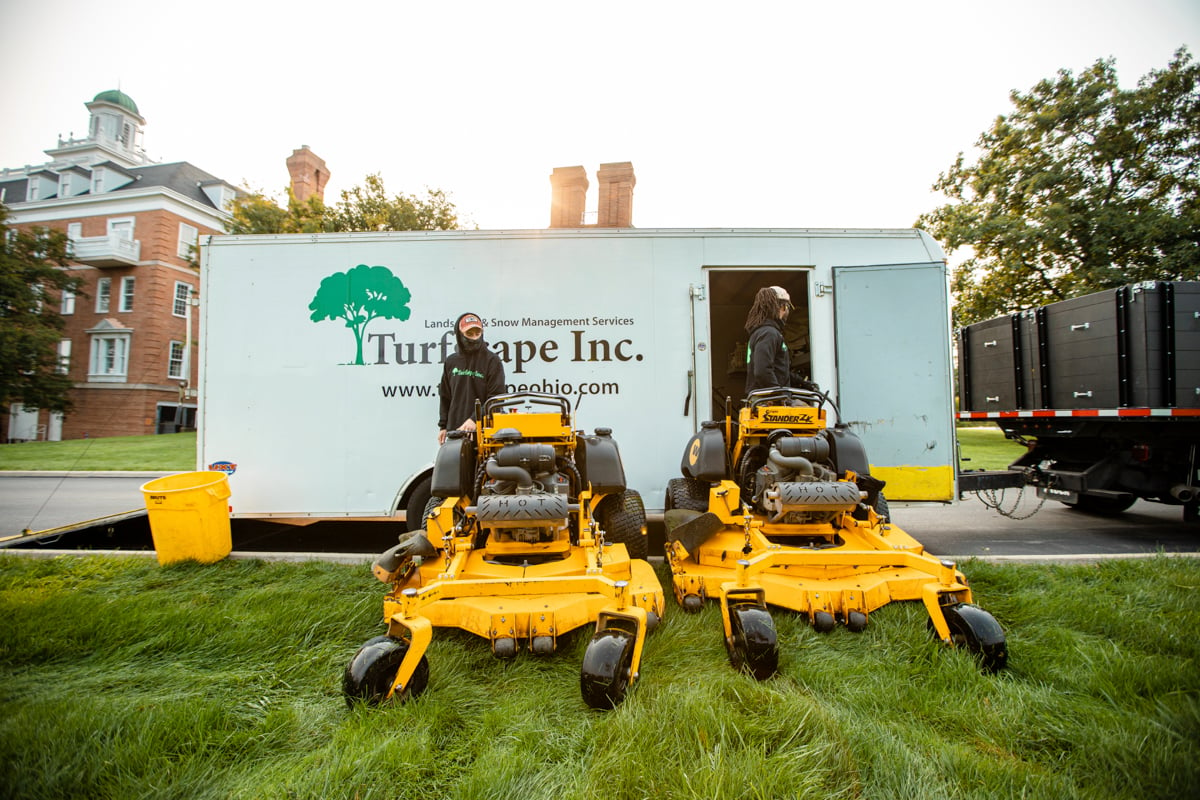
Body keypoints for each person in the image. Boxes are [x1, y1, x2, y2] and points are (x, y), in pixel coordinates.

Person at [438, 312, 506, 444]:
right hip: (455, 432)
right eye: (469, 334)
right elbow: (445, 396)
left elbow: (496, 399)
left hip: (484, 434)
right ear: (459, 334)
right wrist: (443, 426)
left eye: (477, 333)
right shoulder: (451, 361)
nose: (474, 338)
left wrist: (475, 420)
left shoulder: (492, 361)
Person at [743, 286, 793, 396]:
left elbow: (778, 371)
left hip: (765, 398)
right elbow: (762, 371)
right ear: (782, 307)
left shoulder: (763, 332)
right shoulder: (769, 333)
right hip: (768, 401)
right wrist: (779, 396)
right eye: (787, 306)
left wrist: (804, 382)